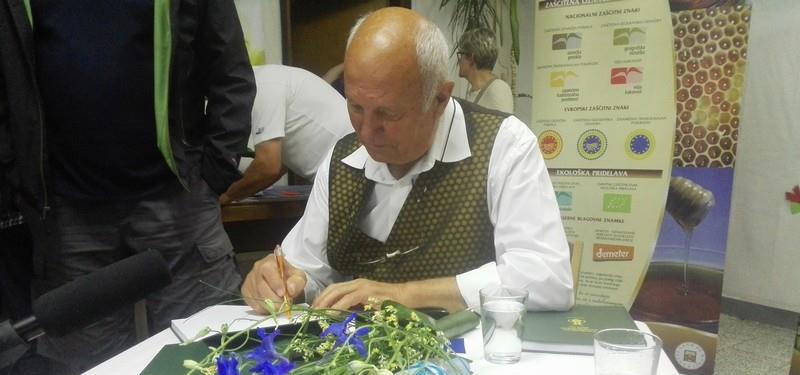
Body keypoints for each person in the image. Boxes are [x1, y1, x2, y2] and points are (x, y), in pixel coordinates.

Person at [241, 7, 572, 314]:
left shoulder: (502, 145)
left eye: (388, 114)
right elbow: (307, 270)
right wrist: (282, 282)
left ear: (440, 98)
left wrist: (406, 294)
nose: (366, 131)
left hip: (467, 354)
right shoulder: (342, 159)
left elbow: (548, 279)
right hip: (359, 353)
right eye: (355, 107)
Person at [0, 0, 255, 375]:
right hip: (69, 218)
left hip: (178, 202)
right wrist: (18, 176)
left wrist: (217, 169)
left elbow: (230, 71)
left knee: (213, 361)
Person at [221, 65, 353, 204]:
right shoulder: (271, 78)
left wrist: (226, 196)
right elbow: (277, 165)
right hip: (347, 174)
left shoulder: (262, 86)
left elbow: (268, 166)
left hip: (348, 176)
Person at [456, 27, 515, 113]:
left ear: (471, 58)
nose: (459, 61)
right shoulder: (473, 91)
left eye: (461, 55)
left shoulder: (498, 89)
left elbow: (503, 121)